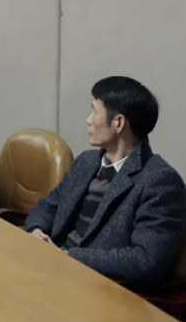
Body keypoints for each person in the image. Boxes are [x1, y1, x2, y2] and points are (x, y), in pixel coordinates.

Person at [25, 76, 186, 284]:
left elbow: (146, 260)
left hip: (95, 284)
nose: (88, 119)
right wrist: (36, 230)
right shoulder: (87, 161)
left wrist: (68, 256)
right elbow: (48, 205)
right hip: (52, 268)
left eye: (94, 111)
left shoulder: (160, 181)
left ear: (118, 123)